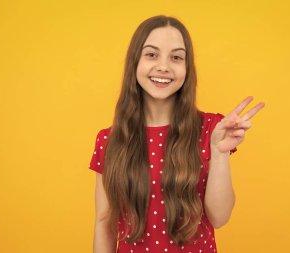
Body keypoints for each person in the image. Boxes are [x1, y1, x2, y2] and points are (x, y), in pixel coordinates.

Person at [88, 15, 265, 253]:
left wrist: (219, 153)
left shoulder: (212, 129)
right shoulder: (109, 140)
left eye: (176, 57)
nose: (164, 66)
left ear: (186, 68)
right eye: (151, 54)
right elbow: (104, 222)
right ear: (135, 62)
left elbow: (220, 218)